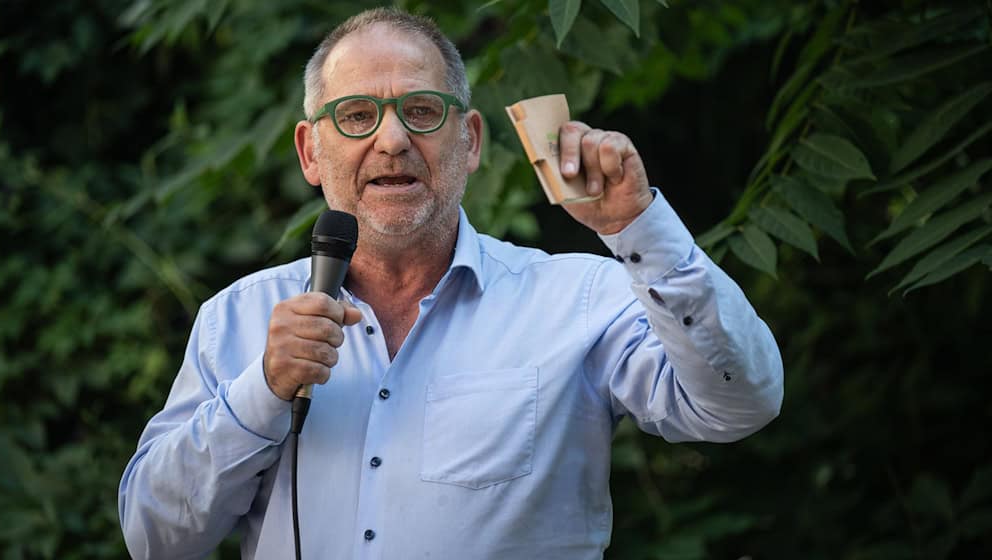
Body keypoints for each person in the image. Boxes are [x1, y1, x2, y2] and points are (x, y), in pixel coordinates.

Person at [118, 7, 783, 560]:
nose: (392, 139)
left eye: (422, 109)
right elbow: (154, 539)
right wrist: (261, 392)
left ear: (470, 142)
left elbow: (740, 403)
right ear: (309, 153)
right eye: (355, 116)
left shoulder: (577, 298)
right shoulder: (237, 319)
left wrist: (640, 228)